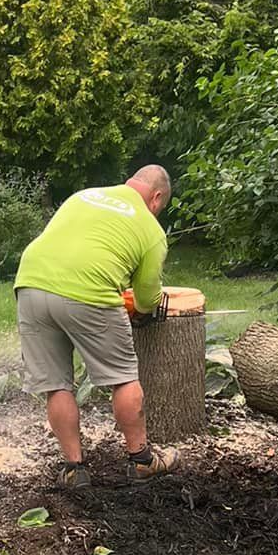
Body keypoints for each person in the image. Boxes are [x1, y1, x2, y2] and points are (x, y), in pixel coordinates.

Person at [14, 165, 180, 489]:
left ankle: (75, 470)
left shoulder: (84, 196)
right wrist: (142, 311)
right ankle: (142, 461)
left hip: (30, 284)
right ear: (156, 197)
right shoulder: (151, 229)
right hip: (89, 294)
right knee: (122, 378)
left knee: (56, 384)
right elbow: (146, 297)